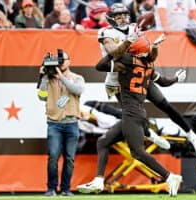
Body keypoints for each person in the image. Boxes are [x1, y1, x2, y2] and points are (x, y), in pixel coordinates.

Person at [77, 35, 183, 196]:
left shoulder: (127, 60)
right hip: (136, 112)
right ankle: (99, 181)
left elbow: (100, 66)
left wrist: (121, 47)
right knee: (103, 142)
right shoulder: (148, 64)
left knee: (137, 152)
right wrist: (177, 78)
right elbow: (163, 82)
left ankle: (169, 177)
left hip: (132, 113)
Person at [96, 3, 196, 155]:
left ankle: (191, 135)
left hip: (139, 74)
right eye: (118, 16)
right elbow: (114, 53)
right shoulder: (105, 32)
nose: (122, 19)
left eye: (124, 15)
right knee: (132, 114)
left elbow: (147, 55)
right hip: (118, 80)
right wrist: (129, 41)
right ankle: (149, 134)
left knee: (165, 105)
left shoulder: (135, 28)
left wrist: (153, 48)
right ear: (111, 18)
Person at [37, 50, 85, 196]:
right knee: (53, 157)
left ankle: (66, 189)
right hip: (54, 123)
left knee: (69, 158)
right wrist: (43, 77)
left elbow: (77, 90)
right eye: (57, 61)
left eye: (61, 60)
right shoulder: (49, 78)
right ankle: (51, 188)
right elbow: (41, 96)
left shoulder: (77, 78)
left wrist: (61, 76)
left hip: (71, 123)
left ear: (69, 61)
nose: (59, 63)